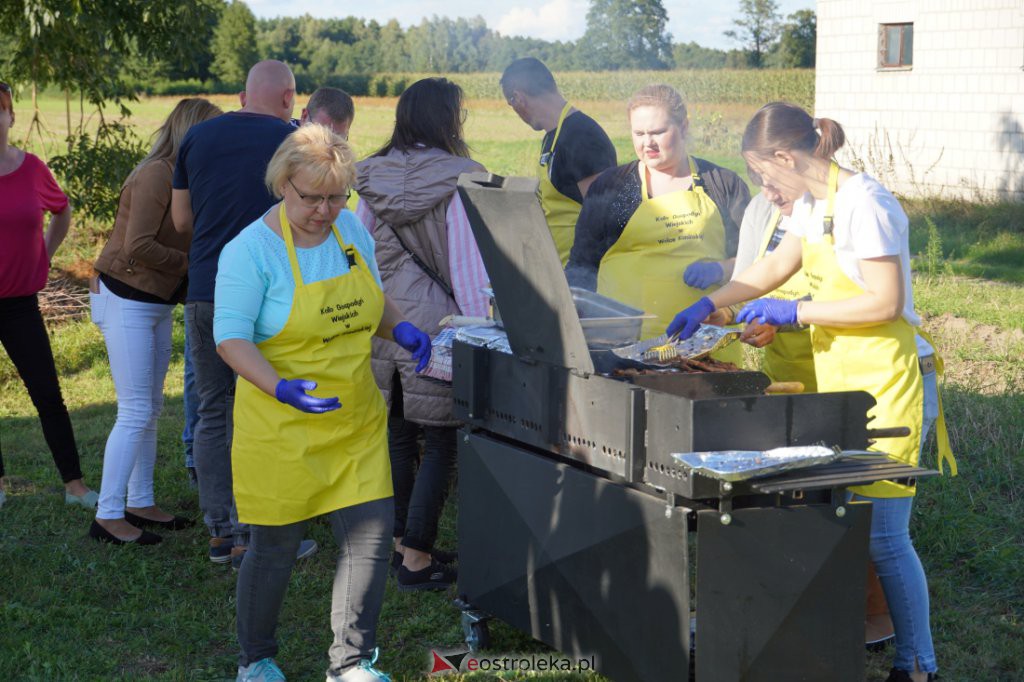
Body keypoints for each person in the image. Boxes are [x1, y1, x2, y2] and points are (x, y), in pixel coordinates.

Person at [667, 102, 956, 682]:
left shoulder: (865, 203)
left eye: (764, 175)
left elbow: (885, 302)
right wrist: (715, 301)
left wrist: (795, 310)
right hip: (844, 383)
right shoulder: (815, 203)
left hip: (888, 383)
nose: (765, 188)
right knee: (843, 524)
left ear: (785, 156)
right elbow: (777, 263)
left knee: (885, 538)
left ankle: (918, 665)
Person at [215, 123, 430, 682]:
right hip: (279, 425)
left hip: (353, 419)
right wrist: (280, 387)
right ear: (283, 184)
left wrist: (401, 330)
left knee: (371, 538)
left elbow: (372, 304)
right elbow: (231, 338)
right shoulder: (250, 251)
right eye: (313, 197)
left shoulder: (352, 232)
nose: (325, 210)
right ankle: (255, 661)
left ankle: (351, 664)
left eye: (337, 196)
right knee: (274, 549)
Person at [171, 60, 315, 567]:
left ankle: (220, 531)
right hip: (272, 294)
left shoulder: (197, 138)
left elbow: (181, 219)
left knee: (213, 410)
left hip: (207, 289)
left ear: (244, 94)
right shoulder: (296, 144)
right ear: (286, 98)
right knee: (270, 408)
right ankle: (265, 529)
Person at [355, 77, 489, 591]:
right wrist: (483, 330)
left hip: (385, 325)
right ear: (445, 120)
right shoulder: (462, 179)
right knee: (441, 445)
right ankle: (416, 557)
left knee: (398, 436)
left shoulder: (368, 177)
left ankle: (400, 544)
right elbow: (467, 268)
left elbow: (361, 256)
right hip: (439, 331)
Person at [87, 98, 222, 545]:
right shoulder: (155, 175)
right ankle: (107, 515)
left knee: (150, 408)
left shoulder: (184, 177)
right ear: (192, 134)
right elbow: (137, 245)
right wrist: (192, 264)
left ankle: (140, 501)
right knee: (135, 409)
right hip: (125, 298)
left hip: (155, 302)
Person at [566, 84, 750, 364]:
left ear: (684, 127)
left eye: (658, 132)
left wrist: (722, 269)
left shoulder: (722, 184)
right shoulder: (613, 188)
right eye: (638, 134)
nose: (647, 143)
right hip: (623, 348)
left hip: (703, 346)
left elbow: (757, 261)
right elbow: (582, 266)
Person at [0, 79, 97, 510]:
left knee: (47, 394)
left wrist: (45, 254)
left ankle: (74, 486)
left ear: (10, 115)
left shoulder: (32, 168)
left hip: (20, 304)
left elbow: (62, 210)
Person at [500, 58, 617, 265]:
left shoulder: (582, 136)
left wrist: (577, 275)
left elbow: (603, 219)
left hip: (581, 277)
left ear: (519, 98)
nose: (516, 112)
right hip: (557, 269)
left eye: (511, 105)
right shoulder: (552, 136)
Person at [721, 185, 817, 391]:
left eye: (775, 180)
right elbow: (749, 282)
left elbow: (844, 295)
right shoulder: (761, 208)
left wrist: (787, 317)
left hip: (834, 369)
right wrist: (725, 311)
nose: (770, 194)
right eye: (762, 182)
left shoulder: (836, 210)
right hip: (783, 372)